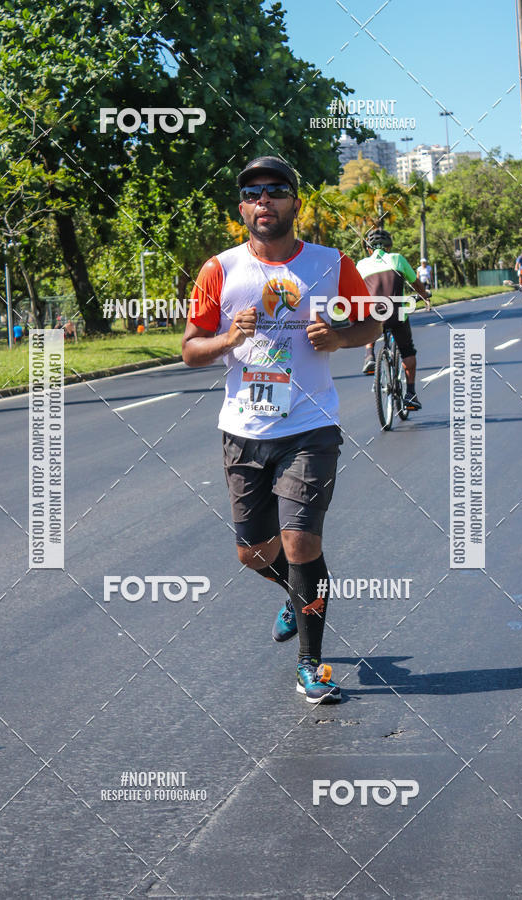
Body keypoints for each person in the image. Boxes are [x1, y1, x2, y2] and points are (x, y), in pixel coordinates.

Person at [182, 155, 380, 704]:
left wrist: (339, 338)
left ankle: (310, 665)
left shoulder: (330, 263)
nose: (263, 200)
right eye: (252, 193)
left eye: (274, 190)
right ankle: (296, 594)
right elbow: (190, 350)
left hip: (311, 425)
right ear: (242, 208)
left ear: (295, 201)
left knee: (301, 540)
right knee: (252, 552)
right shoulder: (219, 270)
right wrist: (228, 340)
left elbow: (371, 323)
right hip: (243, 429)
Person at [358, 229, 429, 411]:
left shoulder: (361, 265)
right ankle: (410, 394)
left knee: (367, 319)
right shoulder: (397, 259)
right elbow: (415, 282)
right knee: (408, 352)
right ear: (388, 247)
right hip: (397, 315)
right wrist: (424, 295)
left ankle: (369, 355)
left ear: (368, 249)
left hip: (373, 316)